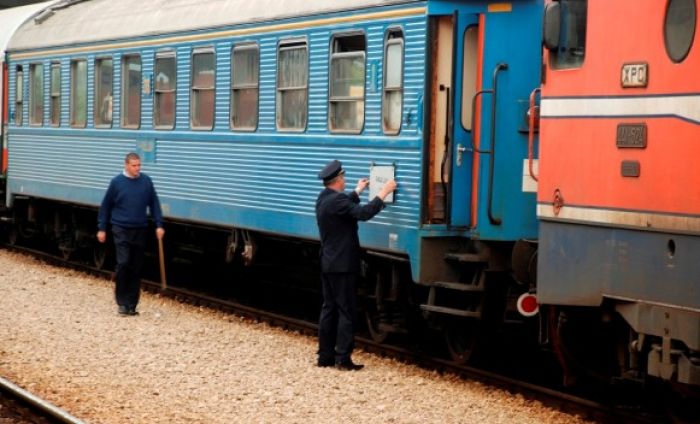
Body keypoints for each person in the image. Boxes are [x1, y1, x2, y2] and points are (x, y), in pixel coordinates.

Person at [315, 159, 397, 370]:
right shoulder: (337, 202)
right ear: (338, 180)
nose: (345, 181)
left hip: (328, 263)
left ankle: (325, 357)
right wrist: (383, 193)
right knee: (346, 311)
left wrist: (357, 191)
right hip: (343, 265)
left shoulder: (323, 199)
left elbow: (344, 206)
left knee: (329, 309)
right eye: (343, 178)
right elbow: (363, 213)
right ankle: (343, 358)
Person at [97, 152, 164, 316]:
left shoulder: (146, 182)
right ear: (126, 165)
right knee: (123, 262)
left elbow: (154, 204)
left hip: (139, 228)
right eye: (134, 165)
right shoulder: (117, 183)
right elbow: (105, 206)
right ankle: (122, 302)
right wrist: (102, 228)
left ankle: (132, 304)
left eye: (139, 165)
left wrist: (159, 225)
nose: (137, 169)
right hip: (121, 228)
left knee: (136, 267)